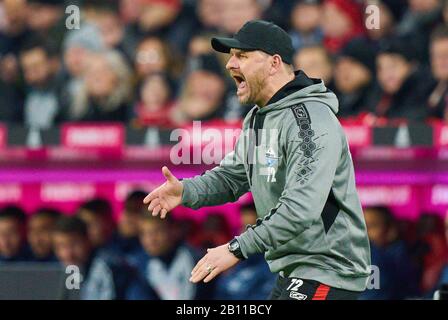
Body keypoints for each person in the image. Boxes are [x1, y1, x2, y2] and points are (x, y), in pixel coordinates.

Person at [144, 20, 371, 300]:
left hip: (327, 269)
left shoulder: (310, 120)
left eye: (243, 55)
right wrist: (187, 190)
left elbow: (300, 208)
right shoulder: (258, 117)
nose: (230, 64)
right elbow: (232, 177)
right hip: (293, 272)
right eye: (231, 56)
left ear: (274, 63)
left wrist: (235, 248)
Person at [52, 216, 143, 300]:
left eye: (74, 244)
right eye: (61, 246)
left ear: (87, 240)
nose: (68, 254)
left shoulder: (109, 266)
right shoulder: (56, 269)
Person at [127, 213, 210, 300]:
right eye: (144, 233)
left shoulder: (195, 261)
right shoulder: (140, 263)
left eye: (157, 231)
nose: (150, 240)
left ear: (173, 230)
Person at [214, 202, 276, 300]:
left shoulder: (271, 263)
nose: (243, 234)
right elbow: (222, 291)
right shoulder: (234, 261)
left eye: (249, 229)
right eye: (242, 228)